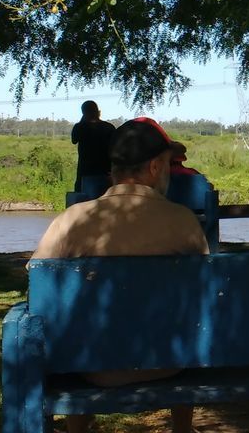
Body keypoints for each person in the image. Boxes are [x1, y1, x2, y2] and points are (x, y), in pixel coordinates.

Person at [34, 117, 208, 433]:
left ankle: (77, 428)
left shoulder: (72, 220)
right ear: (155, 167)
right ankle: (182, 428)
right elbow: (204, 290)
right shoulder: (183, 221)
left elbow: (36, 282)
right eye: (169, 164)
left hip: (90, 364)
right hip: (167, 362)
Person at [70, 101, 116, 193]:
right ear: (98, 111)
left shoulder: (80, 127)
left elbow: (74, 140)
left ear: (83, 113)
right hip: (106, 172)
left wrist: (83, 120)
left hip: (85, 172)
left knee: (84, 202)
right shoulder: (109, 127)